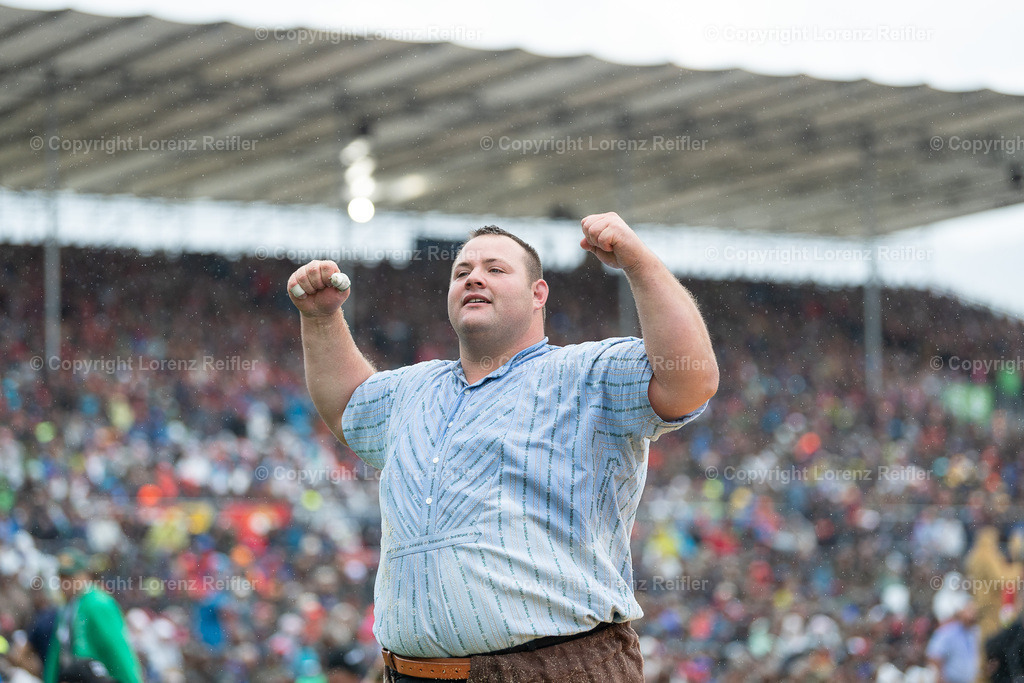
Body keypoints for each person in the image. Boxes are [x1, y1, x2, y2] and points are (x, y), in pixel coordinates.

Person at [288, 212, 718, 682]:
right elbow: (346, 405)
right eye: (461, 272)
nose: (474, 277)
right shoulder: (412, 389)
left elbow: (690, 380)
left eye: (495, 269)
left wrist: (639, 263)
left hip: (557, 669)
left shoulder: (586, 373)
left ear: (539, 295)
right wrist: (322, 317)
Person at [43, 549, 144, 683]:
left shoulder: (97, 603)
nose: (65, 583)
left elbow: (116, 647)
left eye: (70, 577)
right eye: (62, 577)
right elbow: (58, 650)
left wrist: (131, 680)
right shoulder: (68, 605)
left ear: (84, 575)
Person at [927, 599, 981, 683]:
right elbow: (934, 656)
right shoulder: (948, 631)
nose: (972, 614)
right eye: (969, 610)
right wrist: (941, 678)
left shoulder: (975, 632)